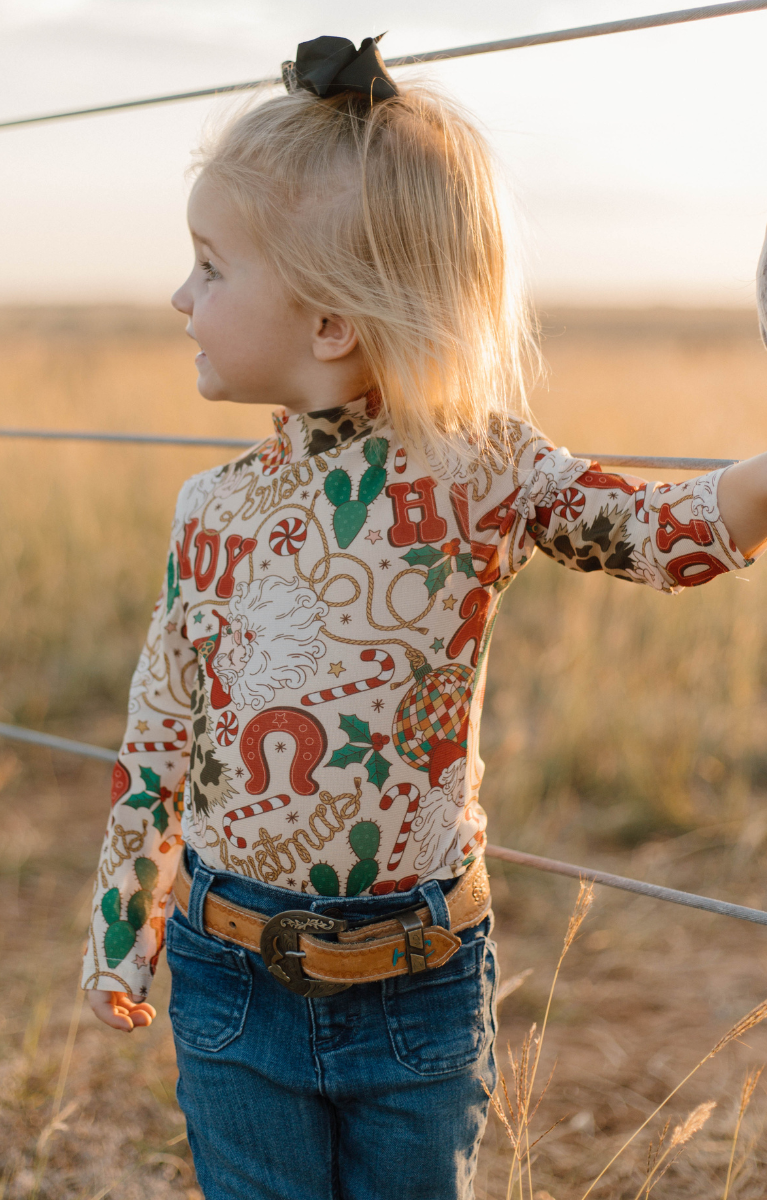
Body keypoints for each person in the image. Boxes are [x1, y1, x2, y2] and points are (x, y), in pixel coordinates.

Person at [81, 34, 767, 1200]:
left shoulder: (481, 469)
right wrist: (118, 923)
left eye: (210, 267)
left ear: (330, 323)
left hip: (420, 981)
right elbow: (161, 736)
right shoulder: (212, 511)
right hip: (225, 971)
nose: (179, 297)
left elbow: (660, 533)